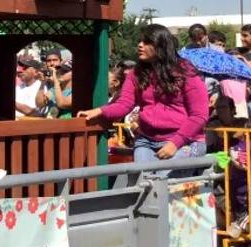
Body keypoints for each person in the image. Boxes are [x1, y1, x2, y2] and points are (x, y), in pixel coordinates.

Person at [79, 24, 208, 173]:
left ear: (161, 45)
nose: (140, 45)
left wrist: (175, 143)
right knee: (143, 182)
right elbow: (124, 104)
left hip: (185, 140)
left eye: (147, 42)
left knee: (161, 180)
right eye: (139, 41)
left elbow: (199, 115)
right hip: (147, 140)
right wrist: (98, 111)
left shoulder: (186, 72)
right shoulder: (136, 74)